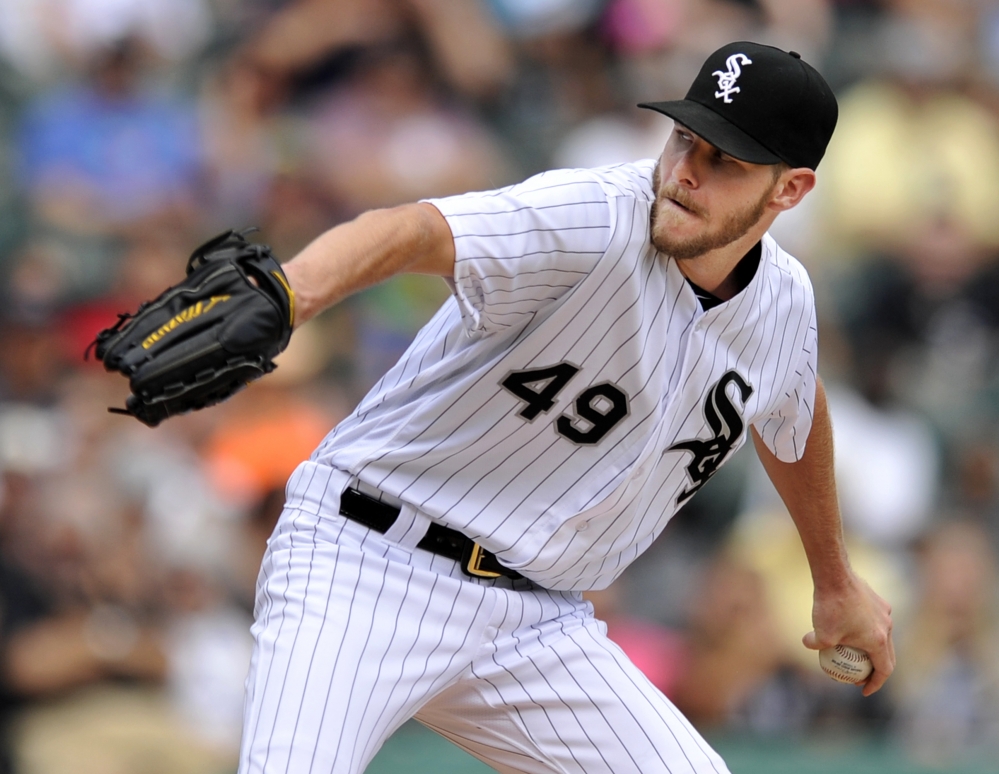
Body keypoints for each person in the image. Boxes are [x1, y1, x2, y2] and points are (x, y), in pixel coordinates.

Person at [238, 41, 895, 774]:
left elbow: (794, 410)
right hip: (366, 559)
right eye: (685, 139)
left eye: (726, 163)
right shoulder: (596, 215)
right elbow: (418, 230)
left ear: (790, 191)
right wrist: (290, 293)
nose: (685, 172)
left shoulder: (783, 304)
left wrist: (833, 581)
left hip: (535, 622)